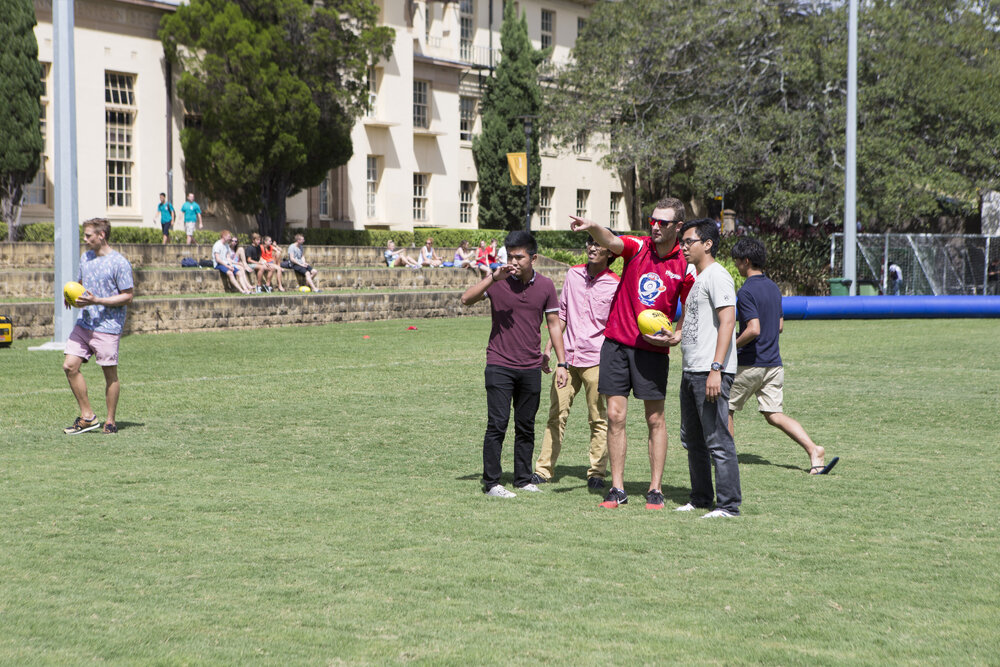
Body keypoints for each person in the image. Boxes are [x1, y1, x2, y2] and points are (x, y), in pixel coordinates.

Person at [569, 196, 694, 510]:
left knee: (655, 418)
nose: (655, 226)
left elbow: (690, 305)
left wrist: (678, 334)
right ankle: (617, 488)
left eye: (663, 222)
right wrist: (593, 226)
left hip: (653, 349)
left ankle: (655, 489)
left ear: (678, 226)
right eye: (652, 220)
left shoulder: (685, 265)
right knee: (615, 416)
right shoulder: (638, 247)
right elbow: (611, 241)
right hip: (616, 344)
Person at [460, 230, 568, 498]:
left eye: (519, 257)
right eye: (510, 256)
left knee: (526, 425)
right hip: (499, 364)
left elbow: (554, 325)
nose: (514, 262)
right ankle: (492, 483)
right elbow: (466, 299)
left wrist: (562, 362)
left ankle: (522, 479)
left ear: (534, 258)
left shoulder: (545, 286)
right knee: (497, 424)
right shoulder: (498, 281)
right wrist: (492, 277)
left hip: (530, 366)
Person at [727, 238, 838, 475]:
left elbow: (753, 329)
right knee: (774, 415)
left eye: (737, 261)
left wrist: (731, 345)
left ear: (746, 261)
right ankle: (814, 450)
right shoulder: (774, 288)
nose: (736, 265)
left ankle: (725, 460)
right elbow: (779, 326)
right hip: (773, 364)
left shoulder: (745, 291)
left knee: (724, 409)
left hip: (750, 364)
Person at [531, 234, 619, 489]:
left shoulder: (615, 284)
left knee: (598, 418)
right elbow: (562, 316)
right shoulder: (573, 275)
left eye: (598, 244)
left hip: (597, 359)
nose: (592, 247)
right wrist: (549, 349)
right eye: (590, 243)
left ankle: (597, 473)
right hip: (567, 359)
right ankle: (543, 470)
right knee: (556, 415)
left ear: (610, 253)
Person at [676, 218, 741, 518]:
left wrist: (717, 368)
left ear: (708, 244)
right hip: (691, 369)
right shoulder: (697, 277)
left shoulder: (718, 275)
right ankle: (701, 498)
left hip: (709, 371)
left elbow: (728, 321)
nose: (683, 247)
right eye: (683, 242)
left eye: (689, 241)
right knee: (693, 440)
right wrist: (674, 336)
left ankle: (728, 506)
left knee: (717, 440)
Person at [62, 218, 134, 435]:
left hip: (108, 327)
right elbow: (80, 286)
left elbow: (128, 296)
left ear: (101, 235)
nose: (85, 239)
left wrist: (98, 300)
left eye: (88, 235)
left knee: (109, 375)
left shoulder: (119, 263)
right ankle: (88, 417)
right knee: (70, 366)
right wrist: (71, 296)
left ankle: (110, 421)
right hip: (84, 323)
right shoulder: (86, 257)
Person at [212, 230, 252, 294]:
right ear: (224, 236)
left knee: (239, 273)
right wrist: (227, 266)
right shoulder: (217, 245)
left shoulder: (226, 245)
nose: (230, 238)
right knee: (230, 273)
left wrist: (230, 265)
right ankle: (241, 290)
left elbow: (228, 257)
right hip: (219, 264)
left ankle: (246, 289)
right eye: (229, 237)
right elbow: (218, 259)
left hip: (227, 263)